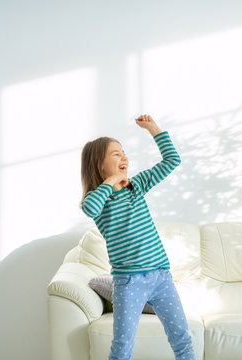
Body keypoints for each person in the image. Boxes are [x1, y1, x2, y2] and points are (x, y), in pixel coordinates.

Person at [80, 115, 195, 360]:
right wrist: (111, 182)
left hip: (161, 277)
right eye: (115, 154)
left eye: (124, 153)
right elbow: (88, 208)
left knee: (182, 338)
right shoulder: (100, 201)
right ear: (99, 165)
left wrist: (153, 129)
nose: (124, 157)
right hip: (129, 282)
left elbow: (172, 160)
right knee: (122, 346)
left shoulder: (137, 185)